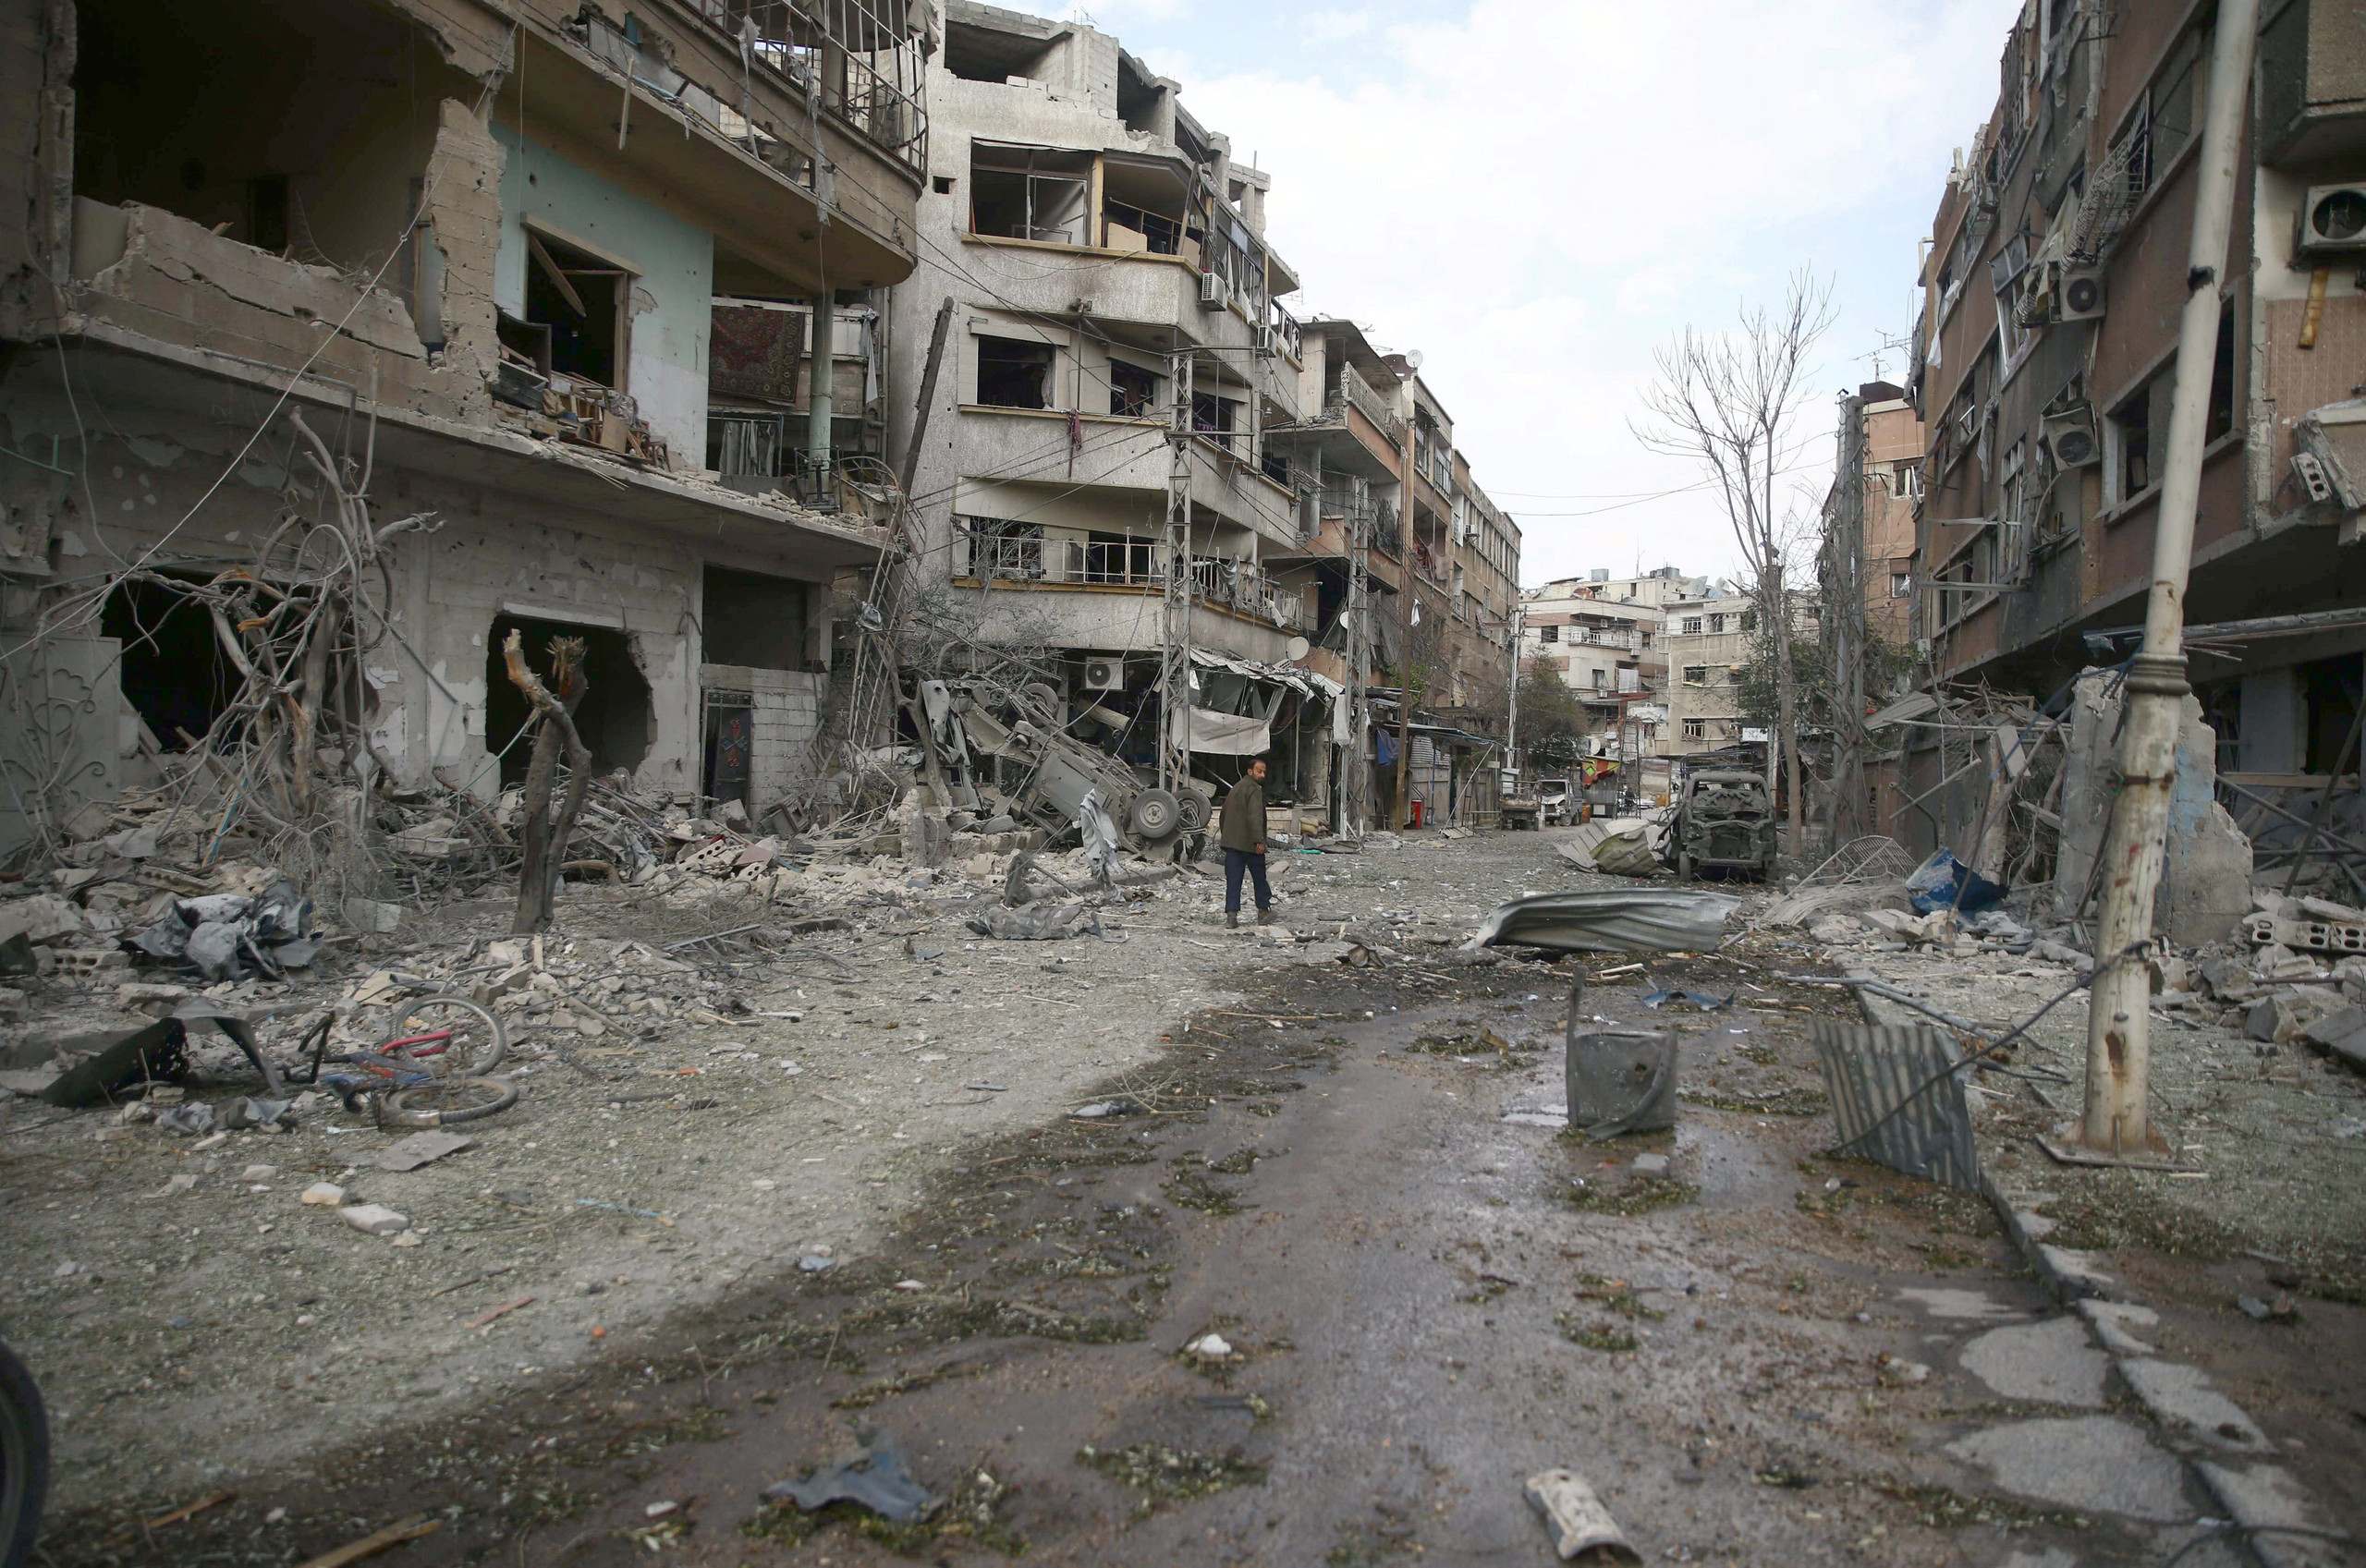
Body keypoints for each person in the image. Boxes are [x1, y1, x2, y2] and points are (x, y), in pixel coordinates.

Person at [1218, 757, 1273, 929]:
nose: (1263, 775)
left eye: (1264, 771)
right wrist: (1259, 841)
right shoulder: (1254, 790)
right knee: (1259, 879)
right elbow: (1255, 817)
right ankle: (1263, 912)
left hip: (1232, 844)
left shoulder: (1235, 788)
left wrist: (1227, 836)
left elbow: (1223, 815)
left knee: (1233, 881)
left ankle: (1231, 917)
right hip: (1250, 845)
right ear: (1250, 771)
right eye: (1259, 771)